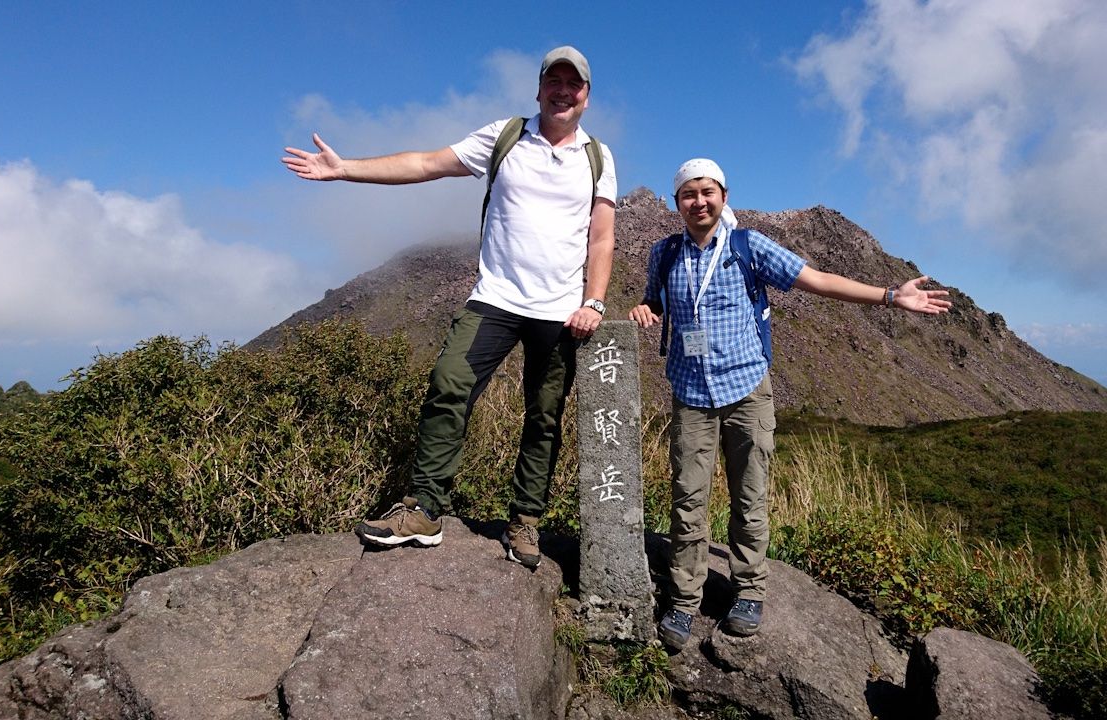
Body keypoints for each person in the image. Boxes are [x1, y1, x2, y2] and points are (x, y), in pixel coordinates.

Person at [282, 46, 616, 569]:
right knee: (448, 385)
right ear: (539, 88)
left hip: (558, 311)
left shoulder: (598, 156)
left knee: (544, 417)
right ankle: (424, 510)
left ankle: (526, 521)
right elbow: (425, 163)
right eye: (554, 80)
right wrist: (345, 169)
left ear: (586, 97)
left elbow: (602, 238)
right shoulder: (505, 137)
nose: (563, 91)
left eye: (574, 85)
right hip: (495, 299)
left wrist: (593, 300)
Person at [629, 159, 951, 649]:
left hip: (746, 392)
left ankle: (749, 591)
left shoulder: (747, 246)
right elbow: (654, 301)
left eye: (707, 192)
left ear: (723, 194)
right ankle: (685, 598)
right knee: (688, 500)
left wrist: (890, 296)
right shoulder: (664, 253)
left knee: (750, 498)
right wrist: (644, 308)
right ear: (677, 203)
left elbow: (817, 280)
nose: (699, 202)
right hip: (691, 395)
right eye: (688, 194)